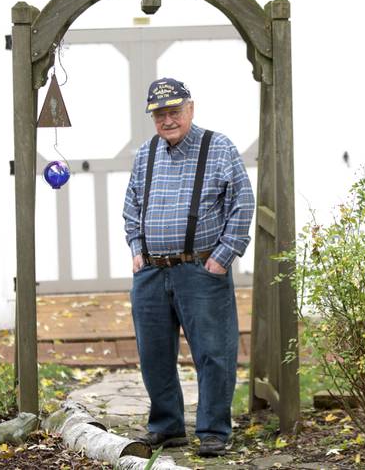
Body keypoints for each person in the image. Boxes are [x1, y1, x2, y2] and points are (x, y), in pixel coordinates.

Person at [123, 77, 255, 457]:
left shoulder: (219, 148)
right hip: (150, 272)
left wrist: (223, 257)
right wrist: (136, 247)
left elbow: (242, 203)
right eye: (160, 113)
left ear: (190, 108)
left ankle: (213, 430)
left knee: (213, 352)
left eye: (174, 111)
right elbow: (132, 205)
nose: (168, 119)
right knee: (154, 353)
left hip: (200, 269)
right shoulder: (145, 153)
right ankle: (167, 427)